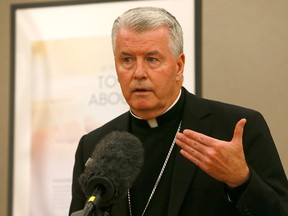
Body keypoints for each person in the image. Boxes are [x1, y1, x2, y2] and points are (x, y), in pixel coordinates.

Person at [69, 6, 288, 216]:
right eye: (127, 60)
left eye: (152, 59)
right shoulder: (92, 146)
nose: (138, 73)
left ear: (179, 66)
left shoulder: (233, 129)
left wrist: (241, 181)